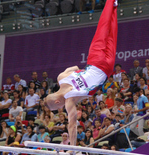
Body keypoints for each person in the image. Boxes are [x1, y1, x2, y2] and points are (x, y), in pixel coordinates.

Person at [45, 0, 118, 146]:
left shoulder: (70, 101)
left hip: (106, 69)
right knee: (103, 28)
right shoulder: (61, 77)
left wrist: (72, 149)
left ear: (58, 102)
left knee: (111, 34)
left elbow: (72, 126)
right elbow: (75, 67)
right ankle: (111, 3)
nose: (60, 109)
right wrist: (82, 75)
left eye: (57, 108)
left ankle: (114, 6)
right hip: (94, 61)